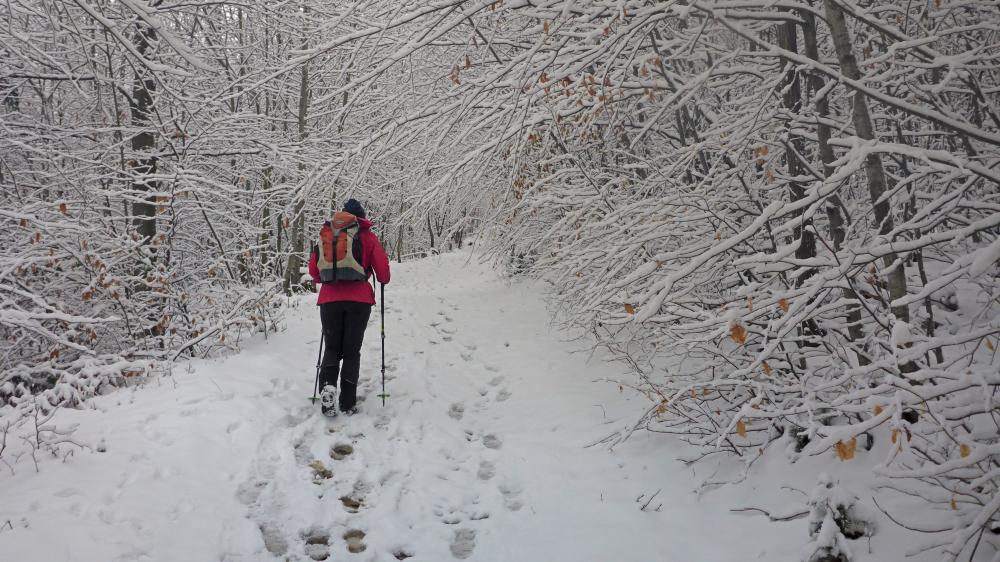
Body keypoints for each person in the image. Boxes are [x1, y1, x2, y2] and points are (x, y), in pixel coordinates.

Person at [308, 198, 390, 416]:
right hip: (359, 302)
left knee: (332, 348)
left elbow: (315, 273)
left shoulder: (328, 235)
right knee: (352, 351)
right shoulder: (368, 237)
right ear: (360, 218)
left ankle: (327, 386)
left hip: (329, 301)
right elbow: (383, 274)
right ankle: (347, 402)